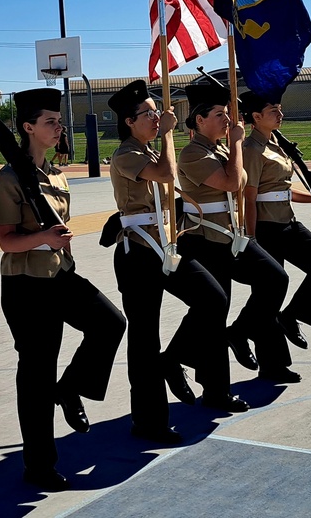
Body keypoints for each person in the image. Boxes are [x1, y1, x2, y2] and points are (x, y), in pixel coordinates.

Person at [0, 87, 126, 492]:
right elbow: (6, 241)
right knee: (35, 374)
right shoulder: (8, 179)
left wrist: (52, 240)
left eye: (58, 120)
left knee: (110, 323)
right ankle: (39, 465)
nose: (58, 126)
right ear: (28, 127)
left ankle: (69, 389)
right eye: (50, 121)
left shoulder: (55, 174)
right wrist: (44, 237)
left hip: (60, 276)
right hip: (25, 286)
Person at [108, 80, 234, 442]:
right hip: (139, 252)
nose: (156, 117)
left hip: (166, 246)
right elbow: (166, 174)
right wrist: (166, 135)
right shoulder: (126, 153)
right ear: (130, 122)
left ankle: (173, 359)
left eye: (155, 112)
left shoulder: (147, 151)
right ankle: (149, 422)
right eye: (148, 114)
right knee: (144, 337)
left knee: (213, 298)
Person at [177, 83, 296, 389]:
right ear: (199, 120)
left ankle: (242, 331)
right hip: (207, 240)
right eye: (219, 114)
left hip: (232, 237)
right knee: (216, 310)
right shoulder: (192, 153)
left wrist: (233, 146)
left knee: (274, 278)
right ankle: (211, 383)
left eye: (228, 113)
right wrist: (238, 145)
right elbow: (232, 182)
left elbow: (239, 182)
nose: (228, 120)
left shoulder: (220, 148)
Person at [240, 92, 311, 358]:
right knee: (267, 297)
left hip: (287, 223)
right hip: (265, 228)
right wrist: (250, 239)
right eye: (273, 110)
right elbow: (249, 198)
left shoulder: (276, 144)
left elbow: (282, 190)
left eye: (280, 109)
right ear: (256, 117)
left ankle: (292, 316)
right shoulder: (251, 150)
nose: (280, 114)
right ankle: (272, 362)